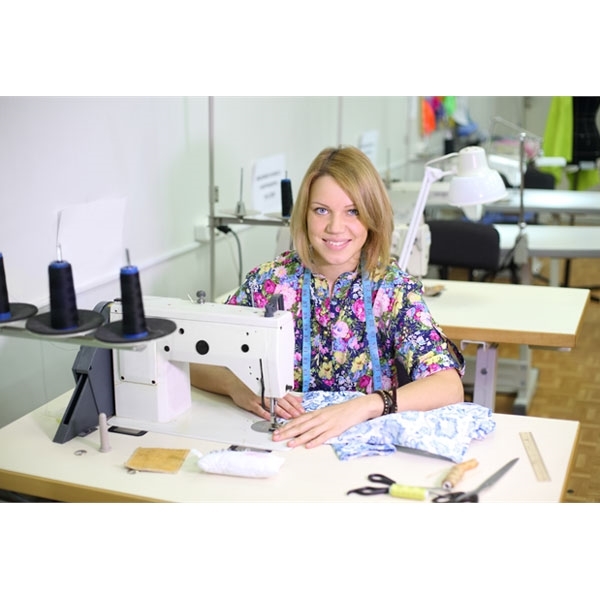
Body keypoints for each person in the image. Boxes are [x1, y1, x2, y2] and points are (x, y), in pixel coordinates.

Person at [191, 145, 465, 449]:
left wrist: (363, 406)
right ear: (304, 215)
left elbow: (449, 387)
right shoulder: (268, 282)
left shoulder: (392, 289)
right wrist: (234, 385)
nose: (335, 227)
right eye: (321, 210)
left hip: (365, 447)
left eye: (353, 211)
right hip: (285, 445)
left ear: (372, 217)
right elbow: (194, 356)